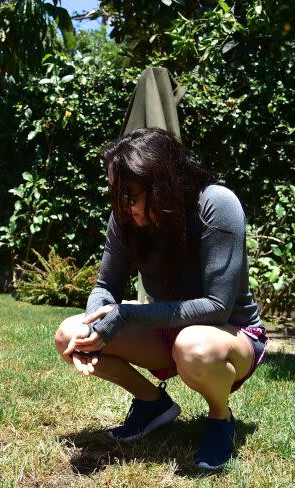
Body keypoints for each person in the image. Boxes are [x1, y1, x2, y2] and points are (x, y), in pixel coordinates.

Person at [54, 128, 267, 470]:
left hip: (228, 335)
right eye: (117, 195)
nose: (124, 207)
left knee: (192, 345)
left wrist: (126, 316)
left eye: (131, 196)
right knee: (69, 333)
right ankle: (152, 403)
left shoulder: (216, 205)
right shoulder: (125, 218)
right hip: (168, 329)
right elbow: (106, 284)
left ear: (162, 186)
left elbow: (216, 307)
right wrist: (95, 327)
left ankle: (219, 417)